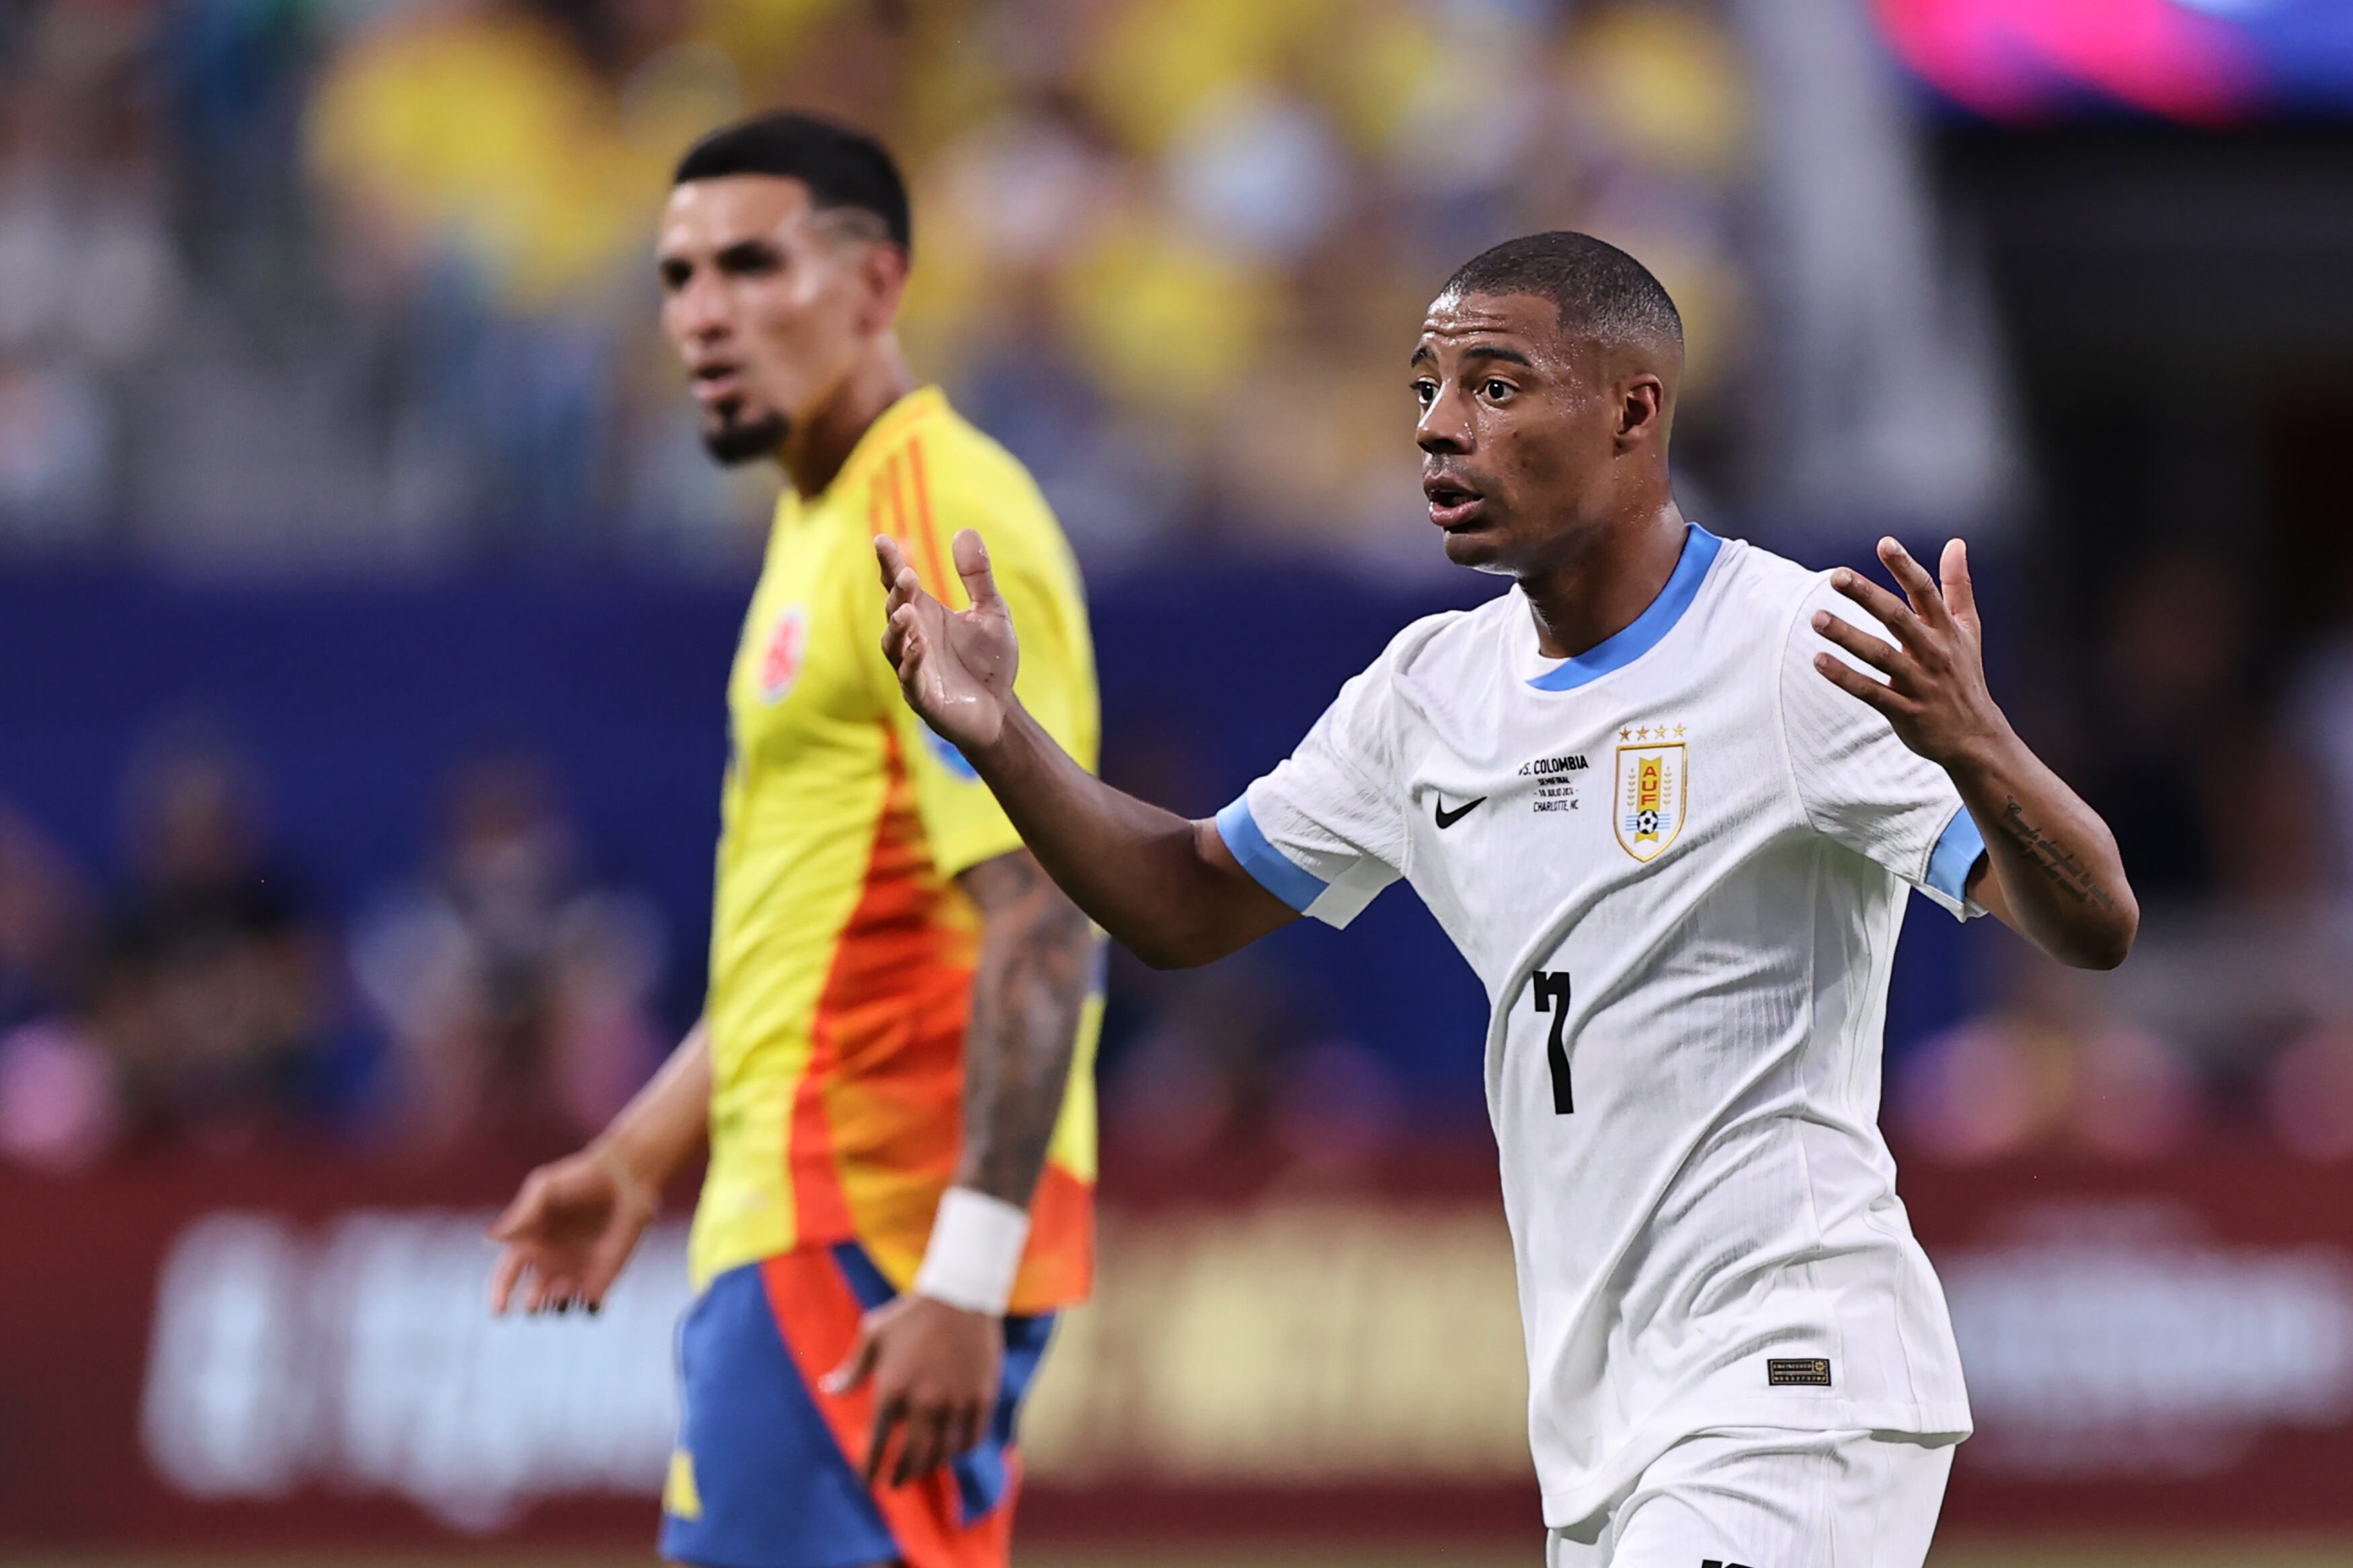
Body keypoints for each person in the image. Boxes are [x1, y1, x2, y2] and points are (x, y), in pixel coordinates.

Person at [875, 232, 2137, 1568]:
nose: (1435, 427)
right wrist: (1002, 732)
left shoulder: (1789, 651)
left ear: (1631, 411)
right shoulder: (1425, 695)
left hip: (1788, 1384)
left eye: (1493, 385)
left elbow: (2092, 920)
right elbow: (1184, 902)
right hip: (1601, 1432)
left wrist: (1978, 746)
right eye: (1425, 385)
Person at [484, 113, 1103, 1568]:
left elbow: (1042, 915)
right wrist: (636, 1159)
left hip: (873, 1230)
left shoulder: (931, 510)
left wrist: (960, 1274)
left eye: (750, 266)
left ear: (875, 285)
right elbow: (811, 938)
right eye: (678, 275)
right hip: (809, 1215)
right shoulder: (819, 527)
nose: (701, 313)